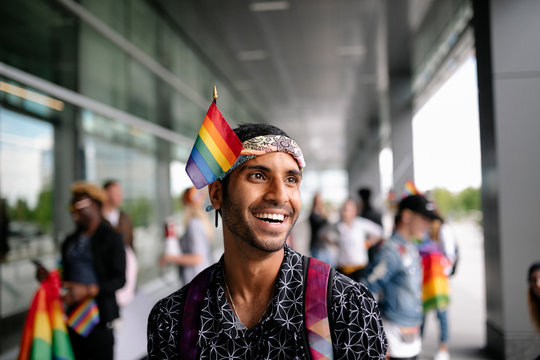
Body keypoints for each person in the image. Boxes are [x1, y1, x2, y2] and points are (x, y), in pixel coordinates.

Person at [147, 123, 387, 358]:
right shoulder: (173, 319)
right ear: (217, 194)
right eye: (258, 176)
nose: (280, 195)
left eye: (291, 180)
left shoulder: (345, 306)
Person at [358, 194, 440, 360]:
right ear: (406, 216)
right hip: (393, 339)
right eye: (424, 218)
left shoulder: (410, 246)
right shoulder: (391, 252)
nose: (428, 224)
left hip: (411, 335)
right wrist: (376, 337)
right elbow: (365, 292)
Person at [51, 182, 125, 359]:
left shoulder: (111, 237)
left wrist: (88, 290)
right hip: (72, 319)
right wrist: (49, 278)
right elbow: (65, 273)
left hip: (99, 320)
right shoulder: (70, 241)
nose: (73, 210)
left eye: (78, 205)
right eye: (71, 205)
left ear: (94, 205)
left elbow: (119, 279)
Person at [160, 186, 213, 284]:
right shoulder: (200, 222)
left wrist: (170, 258)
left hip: (197, 283)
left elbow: (197, 258)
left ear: (185, 203)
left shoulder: (194, 224)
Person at [418, 218, 452, 360]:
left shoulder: (444, 233)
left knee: (442, 314)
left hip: (438, 281)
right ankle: (418, 344)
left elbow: (450, 255)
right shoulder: (421, 234)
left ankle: (443, 347)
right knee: (421, 315)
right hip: (424, 280)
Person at [103, 179, 138, 307]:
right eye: (116, 192)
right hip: (110, 278)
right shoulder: (99, 221)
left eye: (120, 193)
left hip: (128, 275)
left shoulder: (125, 218)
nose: (120, 196)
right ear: (105, 194)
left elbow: (132, 245)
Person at [335, 198, 383, 277]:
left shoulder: (360, 223)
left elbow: (379, 231)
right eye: (344, 209)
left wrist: (369, 243)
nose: (345, 213)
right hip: (343, 269)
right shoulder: (338, 226)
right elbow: (324, 234)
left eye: (347, 210)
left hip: (359, 269)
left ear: (354, 211)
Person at [308, 192, 334, 266]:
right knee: (320, 271)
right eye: (318, 200)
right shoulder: (313, 215)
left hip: (324, 246)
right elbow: (320, 231)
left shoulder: (322, 214)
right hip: (317, 247)